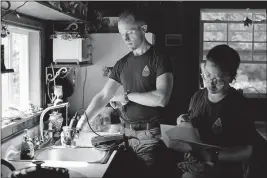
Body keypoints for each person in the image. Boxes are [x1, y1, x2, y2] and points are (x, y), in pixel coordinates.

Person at [75, 10, 176, 178]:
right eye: (123, 35)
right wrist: (81, 122)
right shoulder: (122, 63)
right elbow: (103, 96)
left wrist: (126, 96)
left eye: (130, 32)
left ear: (143, 29)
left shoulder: (160, 58)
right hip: (125, 138)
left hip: (151, 138)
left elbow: (161, 98)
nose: (126, 39)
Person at [176, 44, 256, 178]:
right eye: (206, 75)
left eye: (217, 80)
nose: (209, 83)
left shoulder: (239, 105)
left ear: (231, 78)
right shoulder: (198, 96)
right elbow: (191, 125)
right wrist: (182, 121)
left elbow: (246, 150)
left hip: (223, 172)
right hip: (194, 168)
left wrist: (213, 155)